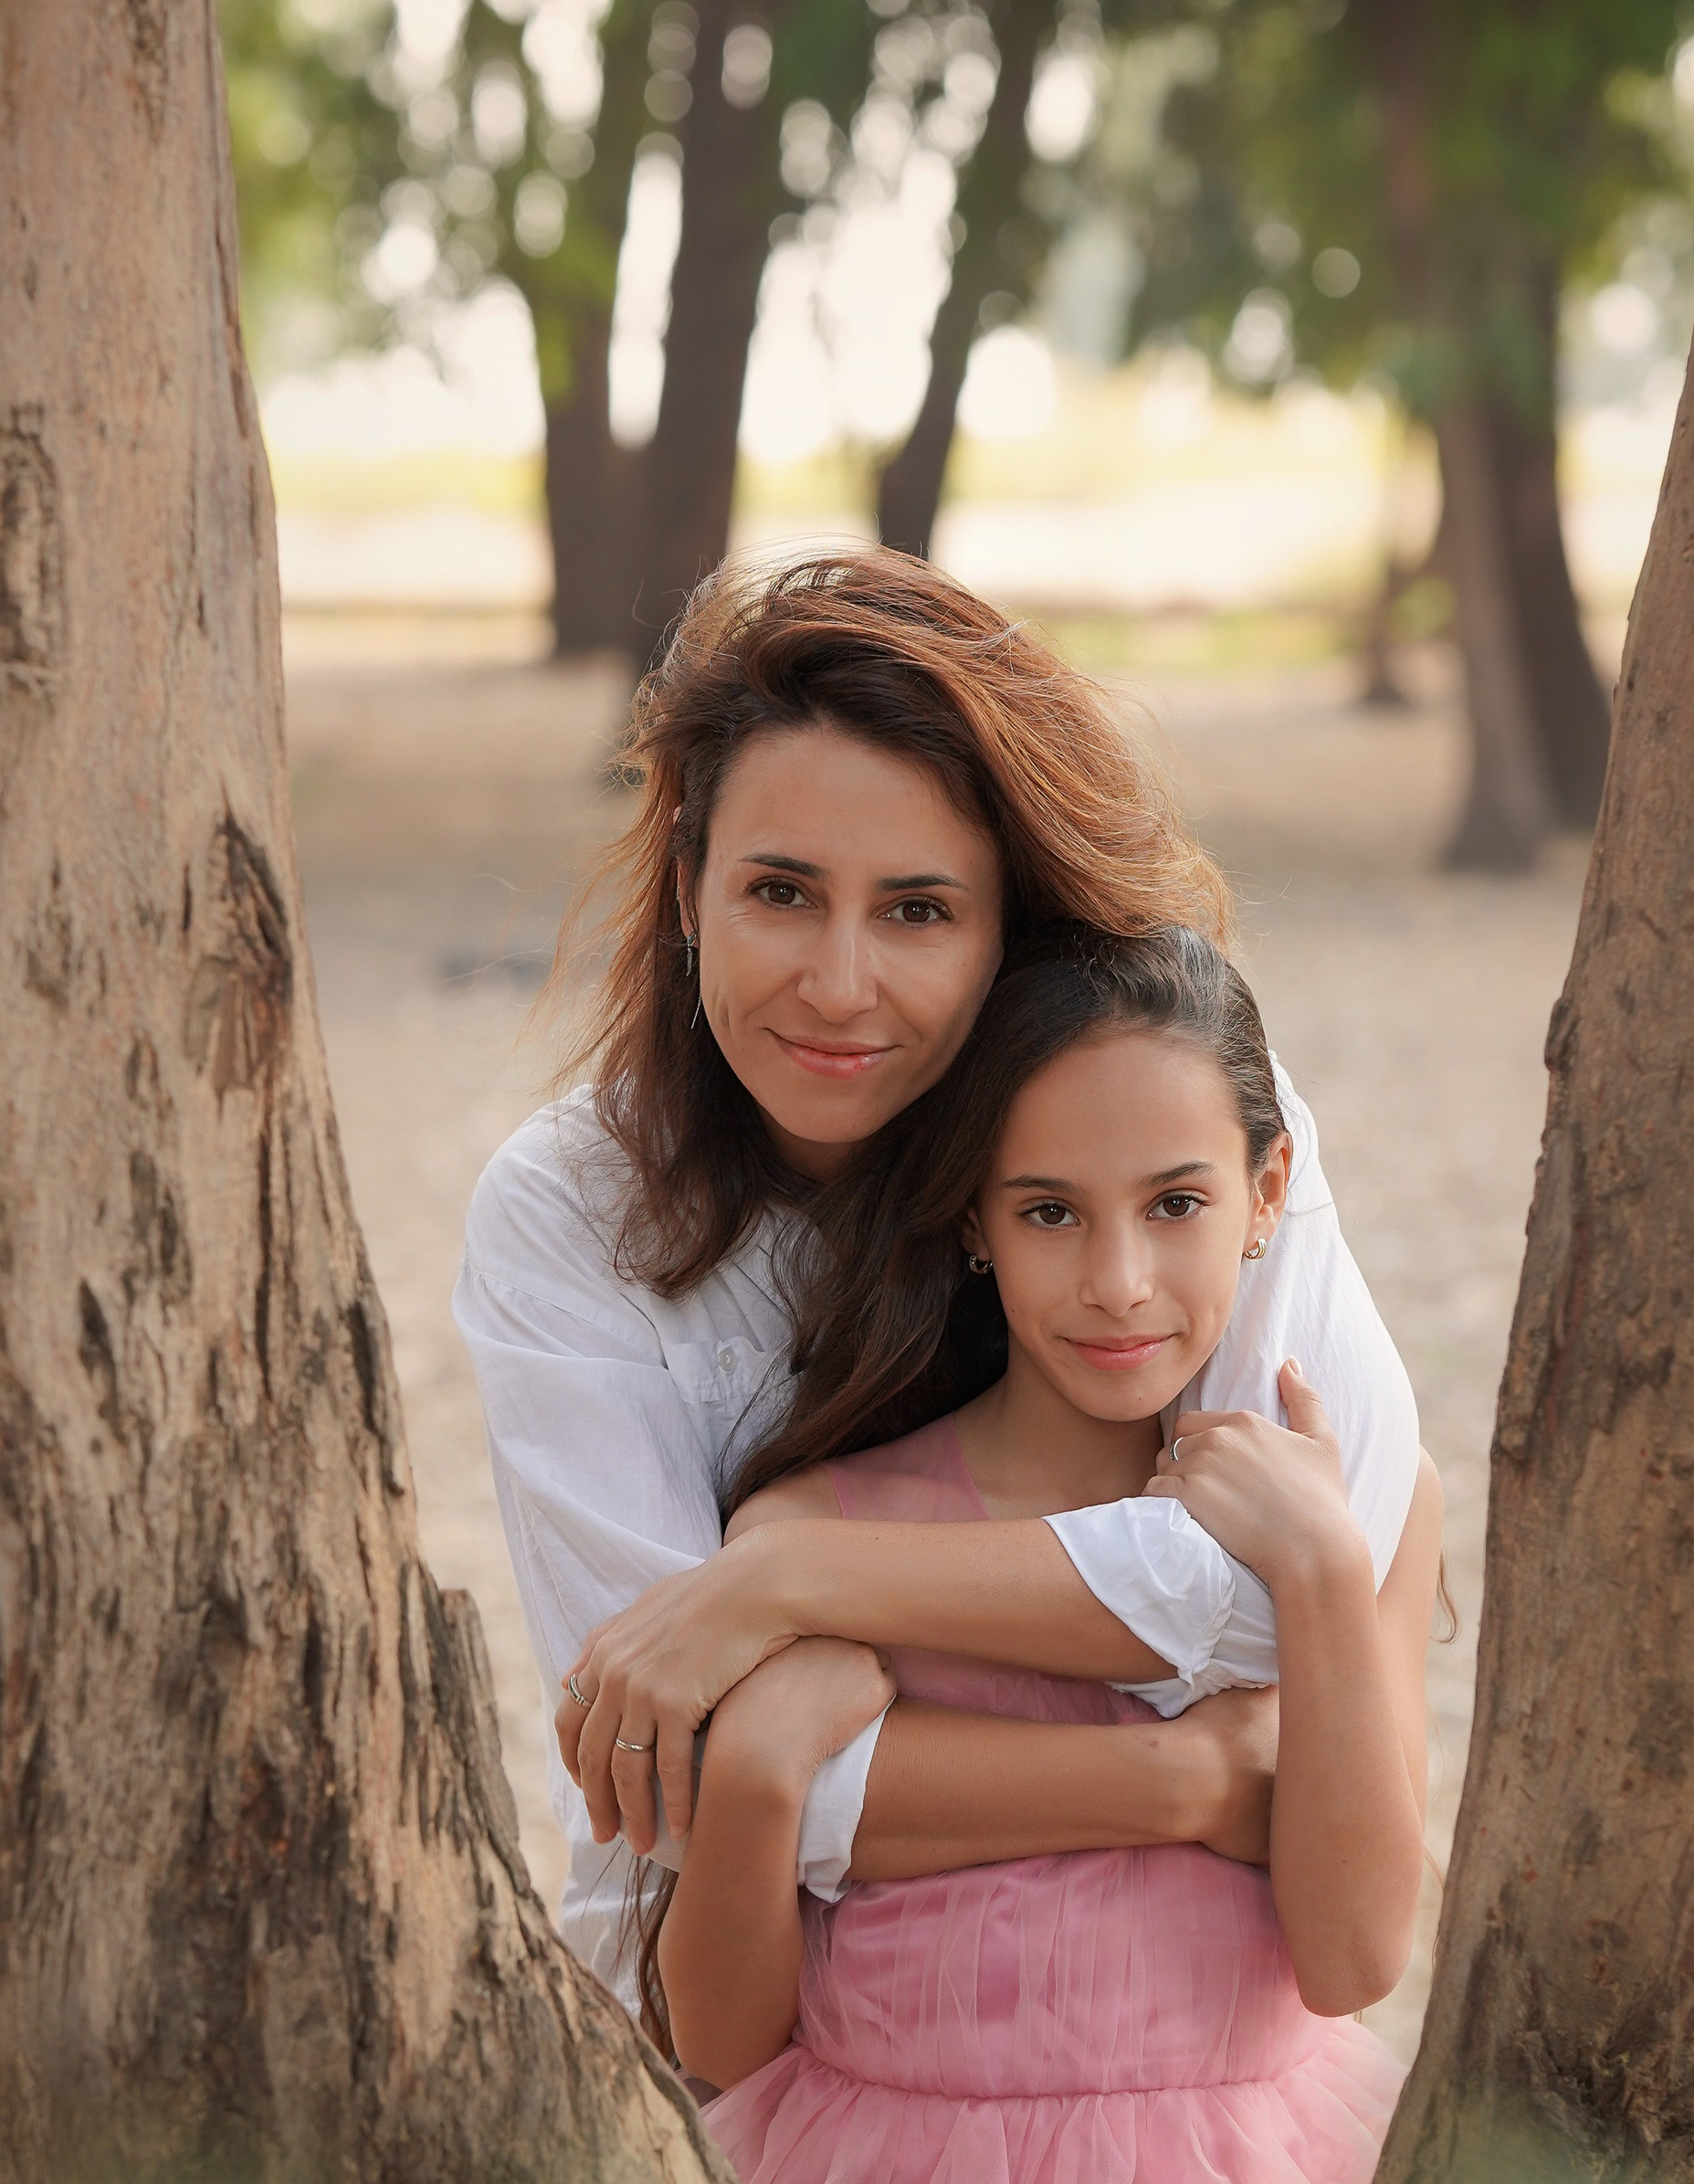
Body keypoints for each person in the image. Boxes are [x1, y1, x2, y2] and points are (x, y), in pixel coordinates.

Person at [454, 550, 1421, 2005]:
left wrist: (787, 1579)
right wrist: (1186, 1773)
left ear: (1010, 920)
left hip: (1152, 2018)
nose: (840, 984)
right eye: (782, 891)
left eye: (917, 911)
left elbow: (1292, 1578)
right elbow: (692, 1756)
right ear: (686, 890)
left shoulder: (1196, 1121)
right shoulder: (565, 1212)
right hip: (751, 2041)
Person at [648, 930, 1430, 2184]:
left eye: (1180, 1204)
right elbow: (727, 2041)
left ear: (1269, 1197)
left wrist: (1331, 1575)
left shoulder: (1343, 1520)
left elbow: (1352, 1956)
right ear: (972, 1221)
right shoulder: (819, 1533)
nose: (1119, 1281)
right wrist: (751, 1787)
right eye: (1051, 1211)